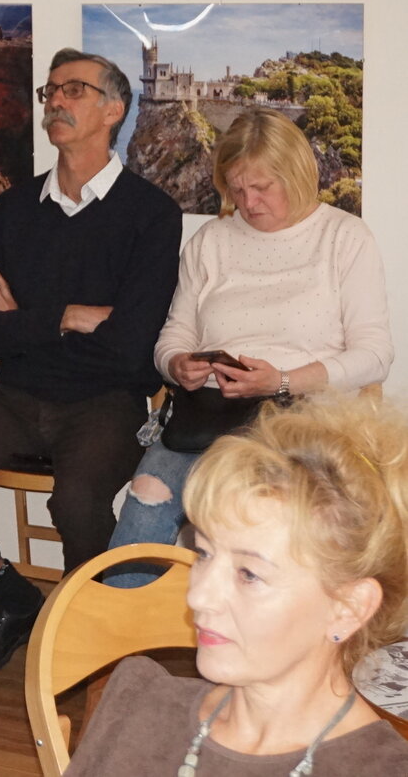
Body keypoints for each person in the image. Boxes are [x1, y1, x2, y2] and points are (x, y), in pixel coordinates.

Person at [0, 48, 182, 673]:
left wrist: (20, 319)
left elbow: (131, 349)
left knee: (77, 503)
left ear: (114, 110)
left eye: (73, 90)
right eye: (50, 91)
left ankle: (88, 637)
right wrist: (66, 315)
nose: (54, 100)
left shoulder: (152, 215)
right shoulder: (13, 208)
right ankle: (11, 594)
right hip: (14, 398)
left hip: (105, 404)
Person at [105, 109, 393, 587]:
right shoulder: (211, 241)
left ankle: (234, 624)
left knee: (254, 516)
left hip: (305, 421)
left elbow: (375, 355)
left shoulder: (344, 237)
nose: (248, 202)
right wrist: (178, 364)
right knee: (148, 494)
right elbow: (173, 336)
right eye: (237, 189)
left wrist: (281, 380)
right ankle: (114, 626)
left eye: (261, 187)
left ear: (296, 174)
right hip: (209, 416)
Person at [65, 396, 408, 775]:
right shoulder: (140, 705)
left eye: (249, 574)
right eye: (204, 553)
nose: (198, 596)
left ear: (349, 607)